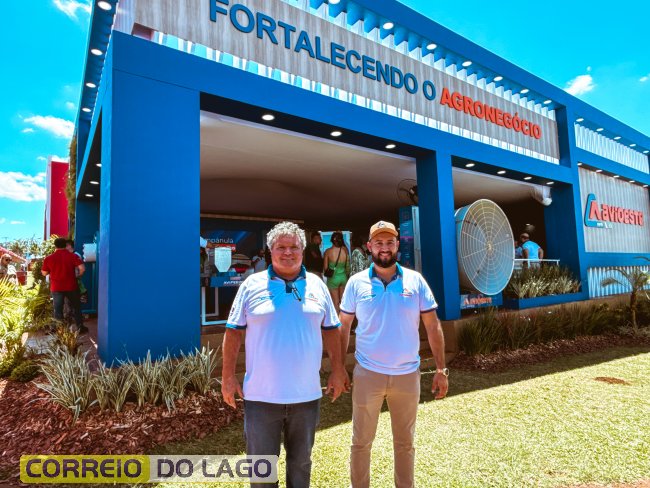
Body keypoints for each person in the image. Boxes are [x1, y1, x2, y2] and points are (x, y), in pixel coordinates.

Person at [221, 221, 346, 488]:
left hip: (306, 397)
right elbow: (232, 333)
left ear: (302, 250)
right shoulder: (251, 285)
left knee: (301, 466)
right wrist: (228, 377)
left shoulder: (317, 285)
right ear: (271, 251)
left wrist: (338, 370)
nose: (288, 252)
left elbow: (332, 331)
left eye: (294, 247)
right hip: (261, 398)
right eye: (281, 247)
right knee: (262, 471)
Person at [339, 220, 448, 488]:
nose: (384, 248)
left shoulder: (415, 281)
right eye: (379, 243)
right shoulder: (355, 283)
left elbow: (432, 325)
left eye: (390, 242)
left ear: (397, 245)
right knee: (361, 442)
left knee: (405, 443)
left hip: (407, 375)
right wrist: (339, 368)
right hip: (368, 374)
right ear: (369, 247)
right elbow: (344, 326)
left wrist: (441, 369)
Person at [42, 237, 87, 333]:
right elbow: (82, 268)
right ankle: (80, 327)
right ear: (65, 245)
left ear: (55, 246)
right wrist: (78, 276)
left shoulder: (49, 258)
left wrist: (52, 270)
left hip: (56, 287)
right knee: (76, 307)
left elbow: (44, 273)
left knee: (58, 309)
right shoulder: (73, 256)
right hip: (72, 286)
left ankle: (60, 330)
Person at [323, 231, 349, 312]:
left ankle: (338, 319)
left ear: (332, 240)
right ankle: (343, 318)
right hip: (343, 277)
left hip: (333, 279)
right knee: (343, 302)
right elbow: (347, 266)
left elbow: (325, 268)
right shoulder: (345, 250)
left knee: (336, 302)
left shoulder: (328, 251)